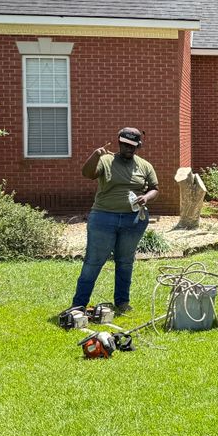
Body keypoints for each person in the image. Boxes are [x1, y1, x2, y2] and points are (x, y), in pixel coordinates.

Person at [70, 127, 159, 314]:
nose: (128, 149)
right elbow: (87, 174)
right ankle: (78, 305)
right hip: (103, 217)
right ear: (119, 142)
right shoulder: (106, 160)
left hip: (133, 220)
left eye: (132, 146)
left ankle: (122, 303)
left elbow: (154, 188)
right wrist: (95, 155)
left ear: (139, 146)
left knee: (125, 262)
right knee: (93, 262)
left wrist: (146, 198)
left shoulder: (144, 166)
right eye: (125, 145)